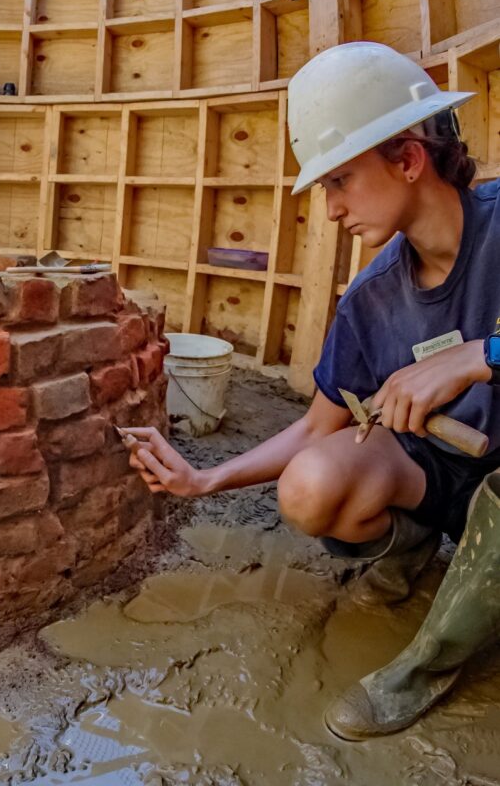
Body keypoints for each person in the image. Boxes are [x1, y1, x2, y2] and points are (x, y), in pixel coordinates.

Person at [123, 40, 500, 739]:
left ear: (409, 158)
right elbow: (318, 429)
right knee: (312, 483)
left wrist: (483, 355)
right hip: (445, 480)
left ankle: (427, 664)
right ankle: (413, 556)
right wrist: (207, 480)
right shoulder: (372, 298)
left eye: (340, 180)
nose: (329, 209)